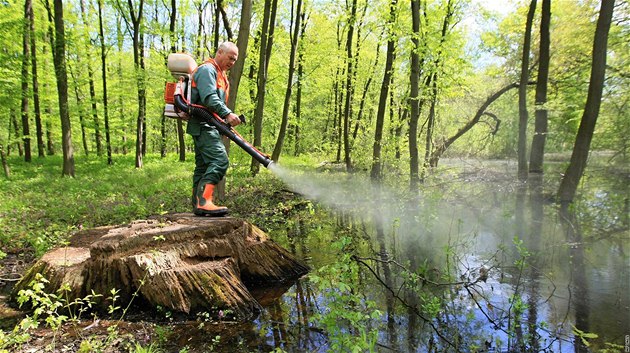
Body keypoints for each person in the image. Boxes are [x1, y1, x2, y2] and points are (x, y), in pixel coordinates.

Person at [188, 42, 241, 216]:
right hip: (203, 125)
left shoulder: (220, 74)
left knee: (203, 167)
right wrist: (227, 114)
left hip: (208, 125)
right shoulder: (207, 70)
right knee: (220, 161)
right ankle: (204, 202)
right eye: (230, 58)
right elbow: (209, 98)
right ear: (219, 52)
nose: (232, 62)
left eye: (235, 60)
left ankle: (199, 204)